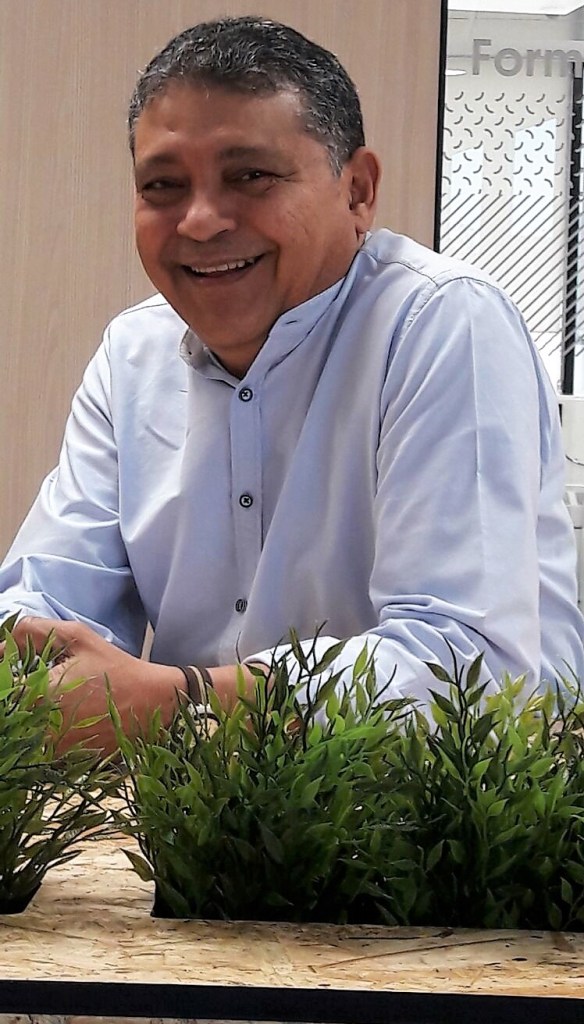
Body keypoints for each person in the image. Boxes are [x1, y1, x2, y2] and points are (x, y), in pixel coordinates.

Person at [0, 15, 582, 753]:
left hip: (457, 811)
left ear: (358, 190)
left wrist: (174, 702)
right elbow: (44, 602)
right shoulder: (132, 353)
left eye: (250, 176)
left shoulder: (442, 324)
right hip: (201, 810)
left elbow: (467, 669)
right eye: (163, 186)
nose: (200, 221)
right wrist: (38, 664)